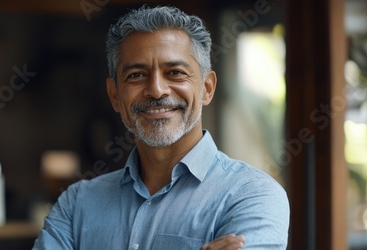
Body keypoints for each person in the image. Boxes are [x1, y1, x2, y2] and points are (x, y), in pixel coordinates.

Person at [33, 5, 289, 250]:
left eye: (175, 72)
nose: (156, 90)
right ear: (114, 95)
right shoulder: (77, 204)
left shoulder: (253, 197)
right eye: (136, 75)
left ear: (207, 88)